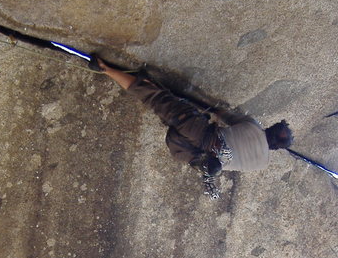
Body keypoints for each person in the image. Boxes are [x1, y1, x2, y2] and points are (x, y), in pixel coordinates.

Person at [91, 57, 293, 199]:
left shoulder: (254, 126)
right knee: (171, 111)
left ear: (271, 131)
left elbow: (223, 114)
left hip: (199, 135)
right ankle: (147, 81)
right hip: (186, 153)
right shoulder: (260, 165)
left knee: (160, 101)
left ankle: (105, 68)